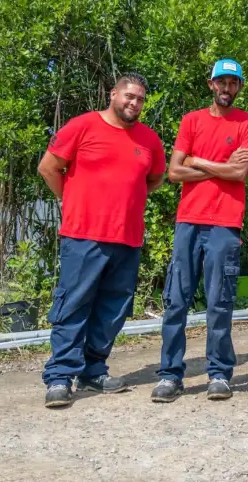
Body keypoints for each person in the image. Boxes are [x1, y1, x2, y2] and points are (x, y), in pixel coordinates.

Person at [38, 73, 166, 409]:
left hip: (127, 238)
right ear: (113, 94)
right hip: (83, 236)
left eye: (139, 98)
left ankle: (93, 370)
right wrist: (73, 201)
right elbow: (49, 168)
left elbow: (153, 180)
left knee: (114, 309)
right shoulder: (82, 126)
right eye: (128, 96)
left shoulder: (149, 140)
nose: (133, 103)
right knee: (73, 305)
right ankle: (61, 376)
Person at [151, 59, 248, 403]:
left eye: (233, 83)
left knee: (219, 302)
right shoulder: (191, 121)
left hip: (225, 224)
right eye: (221, 82)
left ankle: (218, 373)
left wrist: (196, 161)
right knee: (176, 301)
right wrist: (220, 167)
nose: (226, 88)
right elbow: (173, 172)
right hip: (189, 222)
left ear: (239, 87)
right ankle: (170, 374)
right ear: (210, 84)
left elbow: (239, 175)